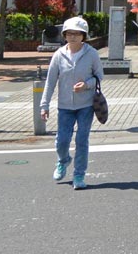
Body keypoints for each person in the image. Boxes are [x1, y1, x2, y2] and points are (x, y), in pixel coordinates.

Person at [40, 16, 104, 190]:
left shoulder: (91, 54)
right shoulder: (59, 55)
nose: (73, 37)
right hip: (65, 106)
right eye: (69, 33)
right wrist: (44, 105)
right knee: (62, 140)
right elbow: (50, 81)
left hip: (86, 105)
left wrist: (86, 85)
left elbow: (99, 76)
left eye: (77, 34)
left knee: (82, 139)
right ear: (64, 35)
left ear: (84, 35)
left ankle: (79, 174)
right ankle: (63, 160)